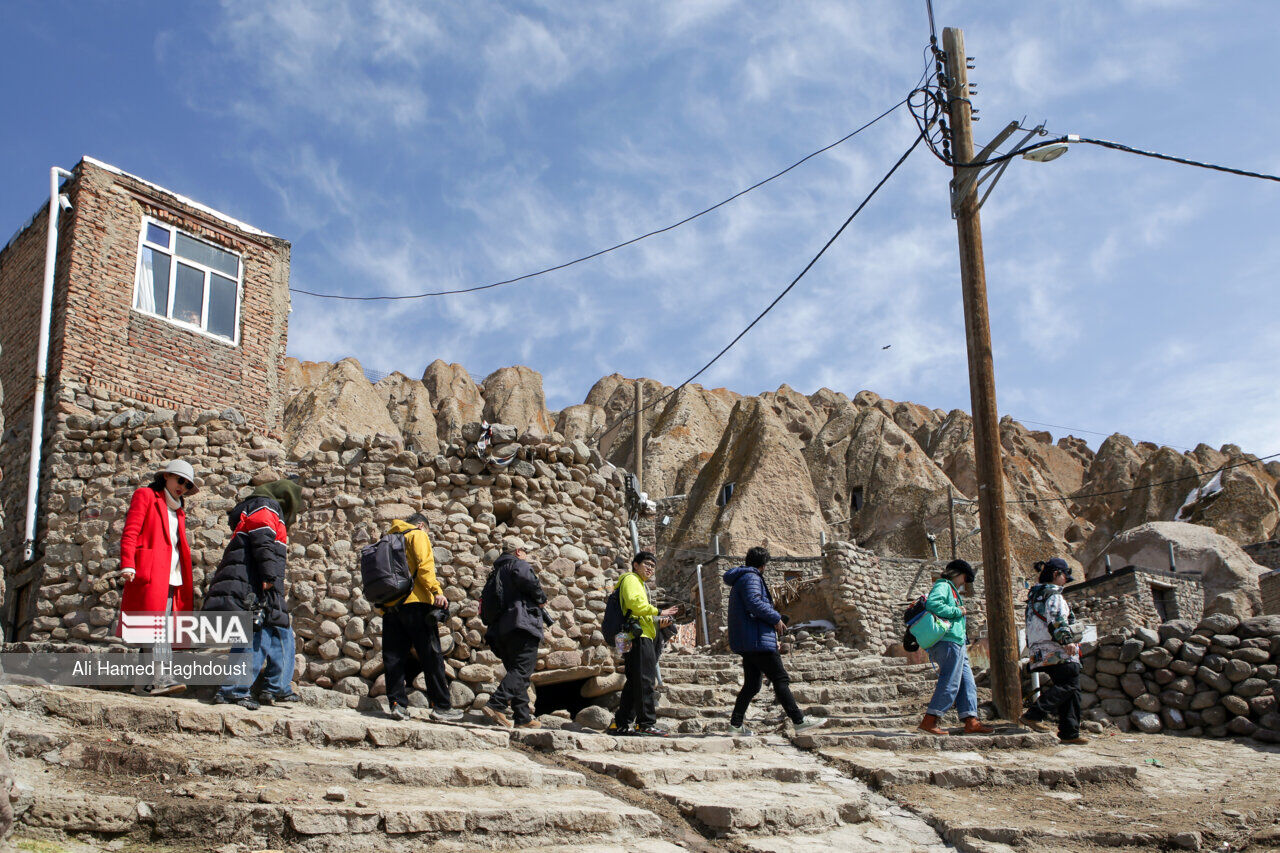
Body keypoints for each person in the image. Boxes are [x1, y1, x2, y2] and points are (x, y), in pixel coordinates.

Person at [206, 479, 303, 709]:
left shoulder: (265, 508)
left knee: (280, 629)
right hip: (256, 580)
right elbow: (262, 541)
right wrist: (269, 577)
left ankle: (277, 687)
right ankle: (233, 690)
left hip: (262, 580)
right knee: (254, 632)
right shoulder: (266, 506)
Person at [724, 547, 826, 735]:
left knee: (752, 685)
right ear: (763, 565)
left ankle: (736, 725)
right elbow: (754, 603)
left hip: (750, 640)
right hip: (757, 639)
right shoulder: (752, 578)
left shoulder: (742, 578)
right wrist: (775, 618)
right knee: (780, 678)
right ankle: (798, 720)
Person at [118, 459, 199, 696]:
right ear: (166, 476)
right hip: (150, 572)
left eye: (187, 484)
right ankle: (162, 678)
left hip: (173, 575)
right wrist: (127, 563)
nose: (182, 487)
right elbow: (131, 531)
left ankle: (142, 684)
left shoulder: (178, 510)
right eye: (179, 480)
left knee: (154, 626)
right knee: (157, 626)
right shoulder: (145, 496)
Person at [379, 512, 461, 722]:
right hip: (415, 604)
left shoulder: (386, 539)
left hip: (390, 607)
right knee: (431, 656)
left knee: (394, 658)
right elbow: (425, 567)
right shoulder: (417, 535)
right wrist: (436, 591)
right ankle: (441, 706)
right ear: (422, 525)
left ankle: (397, 705)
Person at [918, 559, 994, 736]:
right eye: (965, 578)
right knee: (950, 680)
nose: (964, 583)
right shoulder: (943, 586)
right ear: (958, 574)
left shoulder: (950, 589)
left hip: (956, 641)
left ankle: (970, 719)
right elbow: (933, 604)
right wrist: (958, 611)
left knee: (967, 681)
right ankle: (930, 719)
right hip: (948, 641)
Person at [1020, 557, 1088, 745]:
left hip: (1039, 649)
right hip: (1056, 648)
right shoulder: (1054, 595)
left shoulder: (1034, 597)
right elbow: (1057, 619)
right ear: (1057, 574)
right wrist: (1066, 640)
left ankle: (1070, 732)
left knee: (1070, 689)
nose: (1066, 580)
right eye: (1064, 575)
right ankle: (1034, 714)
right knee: (1070, 682)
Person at [482, 539, 548, 729]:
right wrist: (541, 598)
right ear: (518, 552)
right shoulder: (518, 564)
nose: (526, 555)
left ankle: (523, 717)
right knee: (522, 670)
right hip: (521, 625)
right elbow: (527, 579)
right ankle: (496, 704)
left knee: (517, 672)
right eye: (525, 551)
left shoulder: (495, 572)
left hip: (500, 630)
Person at [610, 551, 678, 737]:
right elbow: (635, 605)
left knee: (635, 681)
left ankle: (621, 723)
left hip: (638, 635)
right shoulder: (631, 579)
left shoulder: (639, 583)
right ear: (635, 565)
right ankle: (646, 723)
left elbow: (639, 611)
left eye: (653, 566)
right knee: (646, 680)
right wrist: (660, 611)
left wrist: (657, 621)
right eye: (646, 564)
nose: (650, 568)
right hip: (638, 637)